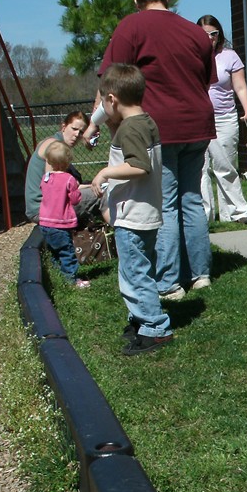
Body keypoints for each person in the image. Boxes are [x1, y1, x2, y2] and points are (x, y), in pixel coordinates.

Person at [91, 0, 216, 302]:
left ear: (137, 1)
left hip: (162, 128)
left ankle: (169, 282)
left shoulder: (131, 27)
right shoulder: (195, 33)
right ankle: (201, 274)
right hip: (198, 123)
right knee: (192, 199)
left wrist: (95, 123)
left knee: (166, 203)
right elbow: (206, 79)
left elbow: (110, 83)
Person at [90, 63, 171, 356]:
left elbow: (139, 166)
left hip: (133, 215)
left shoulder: (130, 128)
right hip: (143, 212)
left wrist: (104, 172)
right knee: (139, 271)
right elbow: (109, 113)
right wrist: (95, 122)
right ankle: (140, 319)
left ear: (112, 99)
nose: (100, 108)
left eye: (102, 102)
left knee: (135, 275)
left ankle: (155, 328)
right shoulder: (143, 121)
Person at [197, 14, 247, 225]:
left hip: (224, 118)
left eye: (213, 33)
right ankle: (204, 215)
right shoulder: (192, 56)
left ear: (219, 34)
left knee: (225, 165)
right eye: (204, 34)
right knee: (200, 168)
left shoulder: (229, 56)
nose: (210, 38)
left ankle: (236, 212)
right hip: (199, 119)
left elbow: (240, 86)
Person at [24, 111, 98, 223]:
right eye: (74, 129)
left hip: (41, 207)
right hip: (43, 210)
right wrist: (92, 187)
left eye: (81, 132)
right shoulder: (55, 148)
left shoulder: (50, 141)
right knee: (102, 195)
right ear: (63, 127)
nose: (77, 134)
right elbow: (54, 187)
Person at [38, 140, 89, 289]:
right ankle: (71, 280)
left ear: (49, 161)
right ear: (67, 162)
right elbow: (75, 200)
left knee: (55, 251)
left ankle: (58, 275)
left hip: (45, 223)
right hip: (60, 223)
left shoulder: (46, 177)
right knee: (67, 252)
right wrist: (76, 190)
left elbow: (44, 191)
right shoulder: (69, 179)